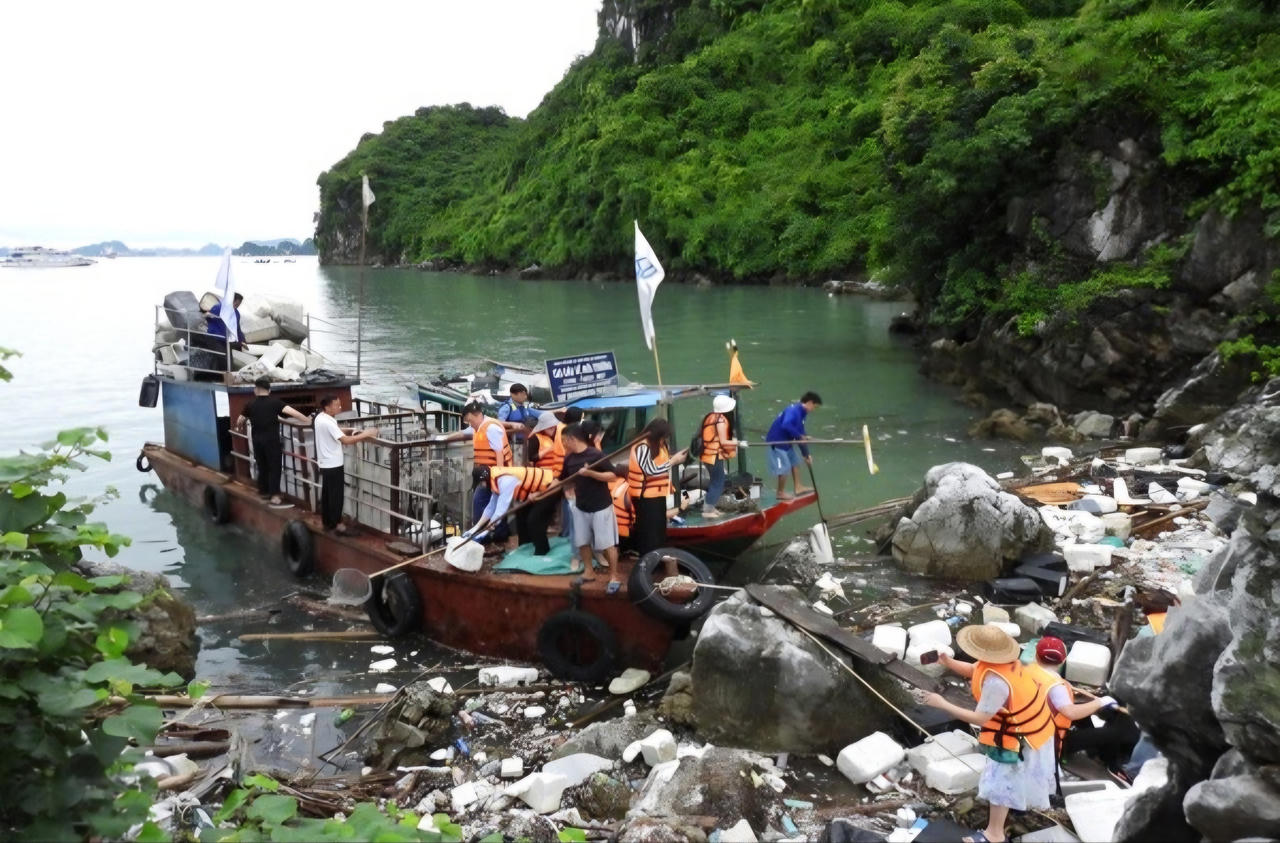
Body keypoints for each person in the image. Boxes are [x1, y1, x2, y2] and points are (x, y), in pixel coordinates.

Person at [922, 624, 1058, 843]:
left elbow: (980, 719)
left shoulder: (997, 683)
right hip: (1035, 726)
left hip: (1019, 736)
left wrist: (942, 704)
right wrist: (947, 662)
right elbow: (974, 669)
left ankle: (994, 835)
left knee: (999, 783)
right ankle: (1013, 809)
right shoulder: (1006, 662)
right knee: (1011, 779)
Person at [1030, 636, 1119, 760]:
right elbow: (1071, 713)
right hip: (1047, 740)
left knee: (1085, 719)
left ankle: (1092, 752)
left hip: (1031, 725)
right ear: (1063, 660)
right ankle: (1104, 759)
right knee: (1110, 733)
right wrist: (1100, 702)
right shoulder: (1055, 686)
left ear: (1036, 656)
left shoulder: (1029, 671)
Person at [560, 422, 620, 587]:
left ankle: (614, 575)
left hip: (601, 506)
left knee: (607, 544)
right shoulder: (569, 459)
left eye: (564, 440)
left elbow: (612, 476)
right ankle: (588, 572)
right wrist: (540, 494)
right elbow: (561, 479)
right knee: (582, 541)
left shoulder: (596, 455)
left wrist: (591, 473)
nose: (563, 444)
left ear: (572, 439)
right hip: (581, 506)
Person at [442, 402, 512, 541]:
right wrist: (444, 439)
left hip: (497, 474)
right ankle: (488, 536)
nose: (470, 424)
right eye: (468, 422)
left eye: (470, 420)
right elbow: (462, 433)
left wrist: (498, 477)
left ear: (478, 415)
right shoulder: (476, 428)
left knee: (490, 503)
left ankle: (492, 537)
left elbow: (499, 453)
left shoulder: (491, 428)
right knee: (487, 503)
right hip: (486, 474)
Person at [235, 377, 309, 504]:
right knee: (274, 467)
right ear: (269, 390)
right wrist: (308, 421)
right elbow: (294, 413)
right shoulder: (275, 403)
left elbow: (240, 419)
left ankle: (263, 492)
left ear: (256, 390)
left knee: (262, 465)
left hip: (257, 440)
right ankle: (274, 495)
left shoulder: (250, 404)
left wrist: (239, 427)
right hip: (271, 440)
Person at [313, 394, 379, 535]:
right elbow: (346, 441)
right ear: (327, 407)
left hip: (325, 463)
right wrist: (366, 434)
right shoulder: (328, 422)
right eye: (336, 405)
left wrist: (349, 430)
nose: (340, 407)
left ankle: (327, 522)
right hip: (333, 464)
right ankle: (337, 524)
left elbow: (335, 431)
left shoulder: (320, 418)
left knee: (327, 494)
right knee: (336, 496)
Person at [463, 465, 558, 555]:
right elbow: (491, 507)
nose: (481, 486)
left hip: (549, 486)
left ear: (484, 479)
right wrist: (475, 528)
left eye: (480, 483)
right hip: (533, 493)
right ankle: (525, 550)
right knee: (521, 518)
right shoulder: (494, 479)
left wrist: (487, 529)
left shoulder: (504, 480)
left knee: (534, 520)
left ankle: (542, 552)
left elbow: (500, 511)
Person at [627, 418, 688, 556]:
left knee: (659, 530)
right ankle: (648, 559)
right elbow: (650, 470)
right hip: (645, 498)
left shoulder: (659, 445)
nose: (664, 440)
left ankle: (658, 557)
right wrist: (673, 461)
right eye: (663, 437)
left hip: (658, 495)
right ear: (657, 435)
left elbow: (662, 462)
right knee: (649, 533)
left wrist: (677, 458)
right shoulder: (642, 447)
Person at [765, 391, 821, 500]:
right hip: (777, 443)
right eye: (814, 406)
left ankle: (798, 487)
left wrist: (806, 454)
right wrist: (799, 436)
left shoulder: (803, 413)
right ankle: (780, 493)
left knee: (795, 462)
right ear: (809, 403)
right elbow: (786, 425)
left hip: (787, 442)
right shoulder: (793, 410)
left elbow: (801, 434)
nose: (813, 409)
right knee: (784, 468)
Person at [698, 393, 739, 519]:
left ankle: (710, 507)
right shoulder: (721, 421)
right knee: (718, 482)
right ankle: (707, 510)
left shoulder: (711, 417)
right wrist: (737, 442)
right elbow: (724, 442)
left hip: (707, 454)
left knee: (715, 481)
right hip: (713, 456)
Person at [197, 292, 246, 374]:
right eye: (236, 304)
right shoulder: (218, 308)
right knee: (223, 359)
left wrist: (242, 341)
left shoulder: (236, 314)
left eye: (238, 305)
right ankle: (225, 377)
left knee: (229, 361)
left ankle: (227, 376)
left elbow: (237, 329)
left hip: (226, 340)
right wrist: (207, 315)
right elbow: (206, 316)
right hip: (214, 338)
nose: (237, 306)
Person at [498, 384, 538, 452]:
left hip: (524, 439)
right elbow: (499, 423)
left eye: (525, 394)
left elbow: (534, 413)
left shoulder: (523, 406)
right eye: (523, 394)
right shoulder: (507, 407)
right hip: (512, 442)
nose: (525, 397)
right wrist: (512, 424)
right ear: (513, 394)